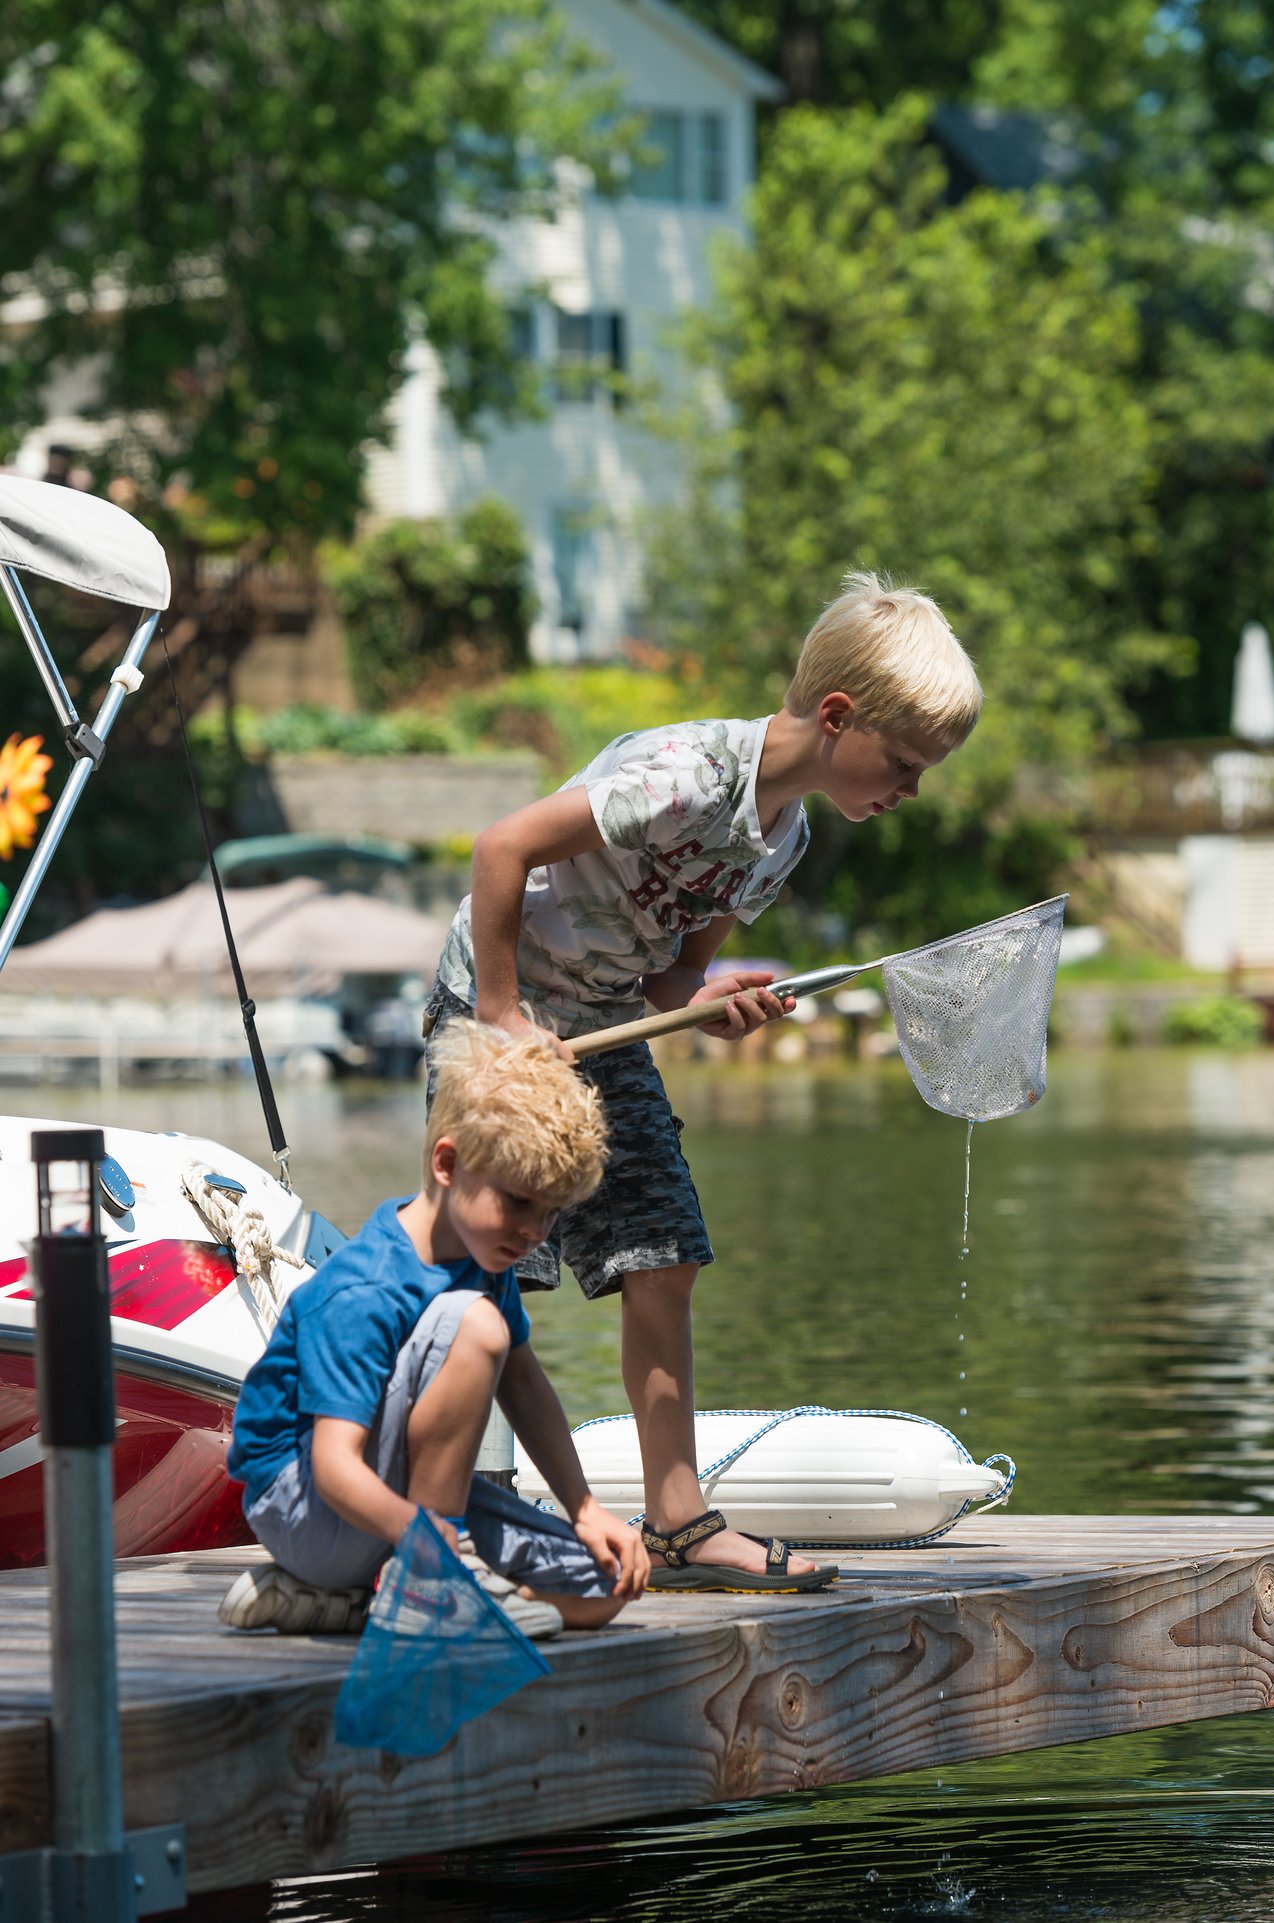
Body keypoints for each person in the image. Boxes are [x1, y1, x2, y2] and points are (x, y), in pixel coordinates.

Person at [422, 569, 983, 1595]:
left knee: (663, 1255)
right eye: (902, 762)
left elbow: (671, 974)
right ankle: (439, 1514)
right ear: (836, 715)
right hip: (497, 1008)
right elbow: (501, 849)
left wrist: (714, 1001)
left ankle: (675, 1521)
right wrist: (499, 1020)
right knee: (490, 1270)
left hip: (601, 1025)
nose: (909, 788)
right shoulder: (682, 778)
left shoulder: (783, 837)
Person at [219, 1020, 649, 1640]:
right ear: (448, 1163)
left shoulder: (484, 1252)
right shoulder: (364, 1287)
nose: (536, 1233)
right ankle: (426, 1584)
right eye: (519, 1202)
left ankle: (346, 1603)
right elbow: (335, 1465)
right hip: (309, 1507)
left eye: (553, 1213)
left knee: (606, 1583)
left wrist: (585, 1511)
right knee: (476, 1327)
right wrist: (427, 1541)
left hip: (392, 1510)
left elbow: (525, 1388)